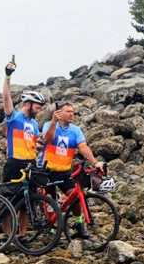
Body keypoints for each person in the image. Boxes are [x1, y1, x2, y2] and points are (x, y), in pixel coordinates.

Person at [40, 100, 103, 238]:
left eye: (73, 112)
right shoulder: (49, 125)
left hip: (64, 171)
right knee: (50, 198)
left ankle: (79, 224)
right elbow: (47, 140)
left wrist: (95, 163)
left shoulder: (75, 130)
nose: (71, 114)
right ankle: (51, 227)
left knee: (75, 196)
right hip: (47, 170)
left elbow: (84, 148)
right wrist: (53, 122)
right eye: (68, 111)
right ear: (60, 113)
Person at [1, 60, 45, 182]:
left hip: (31, 163)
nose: (39, 111)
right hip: (15, 162)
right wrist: (7, 76)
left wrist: (41, 144)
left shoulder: (34, 124)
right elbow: (6, 97)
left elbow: (37, 143)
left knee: (32, 198)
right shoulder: (14, 116)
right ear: (28, 104)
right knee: (10, 198)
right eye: (37, 108)